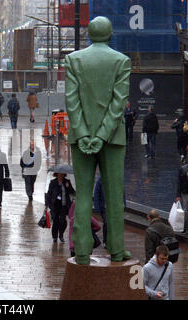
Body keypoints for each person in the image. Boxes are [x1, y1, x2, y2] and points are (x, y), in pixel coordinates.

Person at [65, 16, 131, 264]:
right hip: (113, 139)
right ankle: (116, 249)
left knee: (82, 194)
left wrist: (83, 133)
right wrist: (102, 135)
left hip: (80, 137)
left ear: (89, 35)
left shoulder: (73, 60)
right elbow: (118, 103)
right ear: (110, 34)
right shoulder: (121, 62)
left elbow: (72, 101)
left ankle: (81, 251)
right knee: (114, 195)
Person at [45, 172, 76, 243]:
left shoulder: (67, 181)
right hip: (54, 205)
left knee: (63, 222)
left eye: (62, 174)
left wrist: (69, 187)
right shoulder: (53, 182)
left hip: (64, 205)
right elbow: (49, 193)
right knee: (55, 221)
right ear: (57, 174)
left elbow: (73, 192)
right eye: (59, 174)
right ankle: (55, 237)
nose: (61, 175)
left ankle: (61, 235)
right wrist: (47, 204)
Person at [93, 175, 107, 248]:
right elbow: (96, 194)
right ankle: (105, 241)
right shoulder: (100, 180)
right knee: (106, 222)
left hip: (112, 206)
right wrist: (97, 207)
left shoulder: (115, 177)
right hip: (104, 207)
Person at [176, 162, 188, 233]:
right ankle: (185, 227)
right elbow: (179, 182)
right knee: (186, 210)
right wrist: (178, 195)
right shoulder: (183, 169)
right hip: (185, 192)